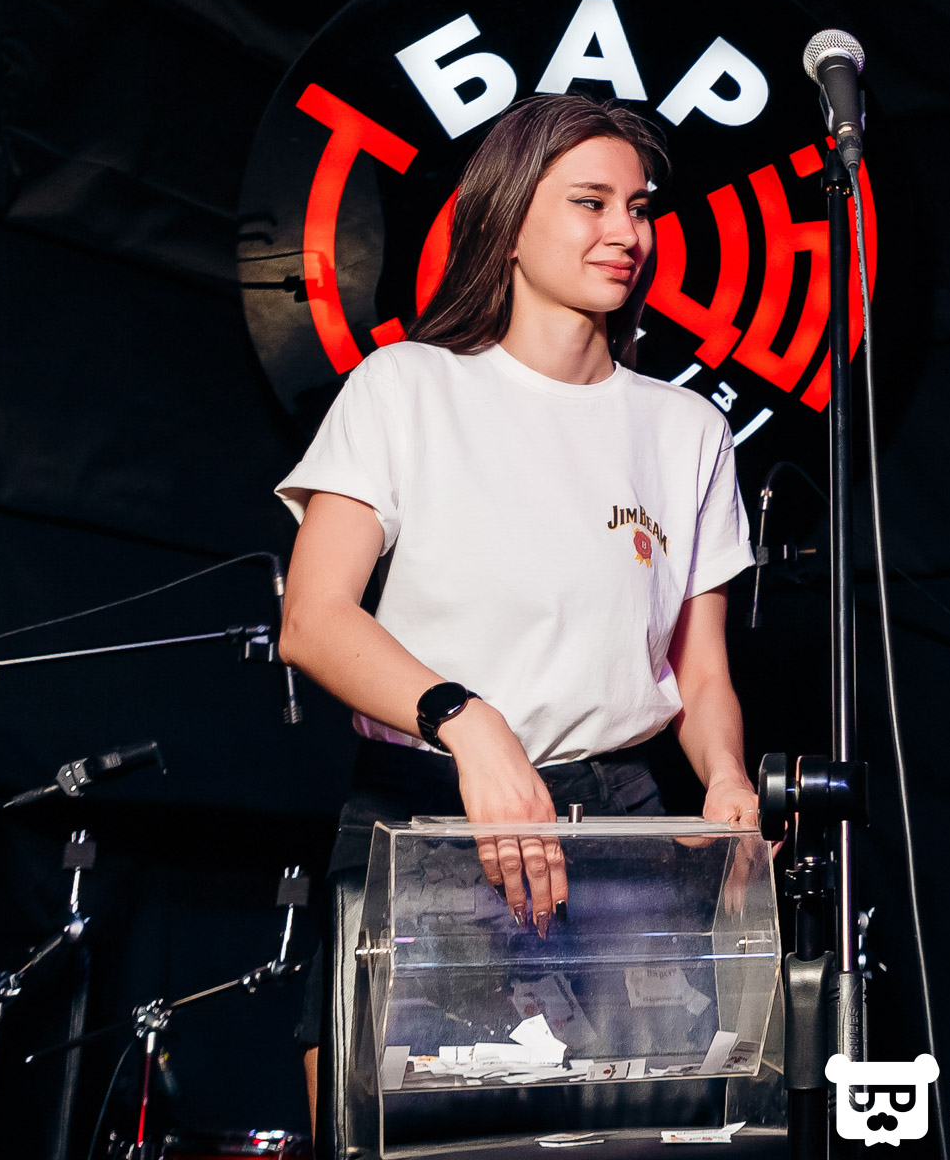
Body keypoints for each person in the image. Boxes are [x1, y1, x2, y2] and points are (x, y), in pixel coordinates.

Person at [275, 95, 759, 1118]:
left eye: (639, 207)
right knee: (385, 1124)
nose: (626, 231)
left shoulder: (687, 430)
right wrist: (469, 722)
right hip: (428, 811)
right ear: (505, 219)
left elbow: (700, 667)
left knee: (639, 1132)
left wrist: (724, 776)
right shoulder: (406, 385)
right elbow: (315, 619)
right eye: (591, 201)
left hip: (619, 831)